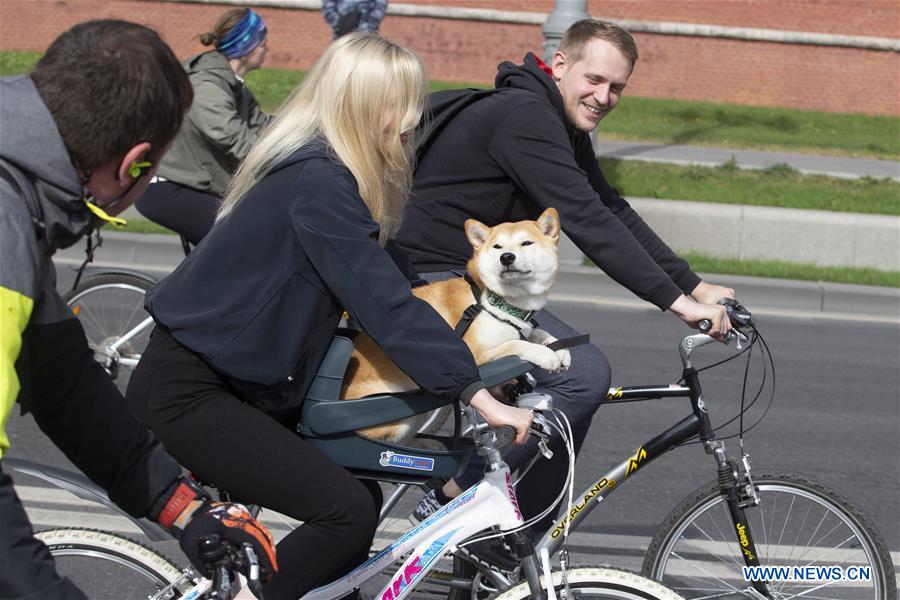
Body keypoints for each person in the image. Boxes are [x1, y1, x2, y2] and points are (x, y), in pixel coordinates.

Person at [125, 32, 534, 600]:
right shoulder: (321, 183)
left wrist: (489, 353)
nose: (414, 123)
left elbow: (402, 283)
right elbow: (385, 303)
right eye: (404, 106)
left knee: (357, 500)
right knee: (342, 512)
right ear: (368, 108)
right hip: (191, 392)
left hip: (240, 385)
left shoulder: (328, 176)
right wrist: (472, 390)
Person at [393, 19, 736, 542]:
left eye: (616, 87)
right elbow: (589, 221)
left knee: (562, 383)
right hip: (433, 280)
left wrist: (695, 285)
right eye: (593, 80)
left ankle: (506, 533)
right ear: (559, 66)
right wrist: (679, 304)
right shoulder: (527, 119)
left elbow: (609, 208)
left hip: (469, 277)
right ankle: (463, 509)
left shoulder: (553, 119)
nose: (603, 96)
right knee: (581, 375)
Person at [0, 20, 278, 599]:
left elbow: (64, 383)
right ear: (135, 163)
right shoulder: (4, 233)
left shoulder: (18, 207)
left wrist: (179, 505)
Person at [136, 7, 270, 245]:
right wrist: (276, 160)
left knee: (248, 238)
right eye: (262, 43)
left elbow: (264, 127)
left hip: (192, 184)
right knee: (239, 241)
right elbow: (233, 138)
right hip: (169, 188)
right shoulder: (206, 85)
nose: (267, 49)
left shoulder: (233, 87)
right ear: (246, 47)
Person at [322, 0, 388, 39]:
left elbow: (380, 6)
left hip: (367, 35)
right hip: (342, 34)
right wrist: (339, 24)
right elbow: (328, 8)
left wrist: (369, 26)